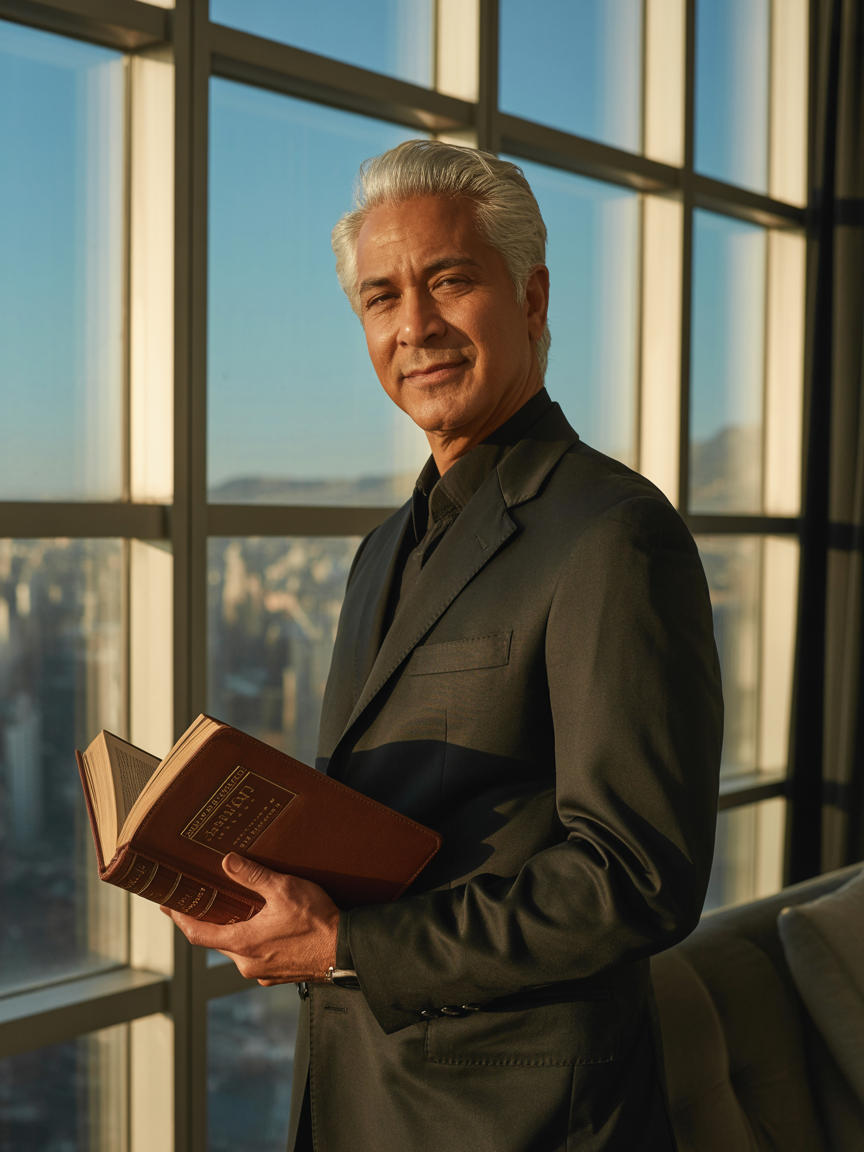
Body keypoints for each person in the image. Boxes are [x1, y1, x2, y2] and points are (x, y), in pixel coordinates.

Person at [165, 140, 723, 1152]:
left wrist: (349, 945)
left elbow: (637, 876)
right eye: (380, 298)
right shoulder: (381, 551)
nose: (413, 325)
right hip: (361, 1090)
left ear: (532, 296)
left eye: (449, 282)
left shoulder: (614, 533)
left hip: (521, 1118)